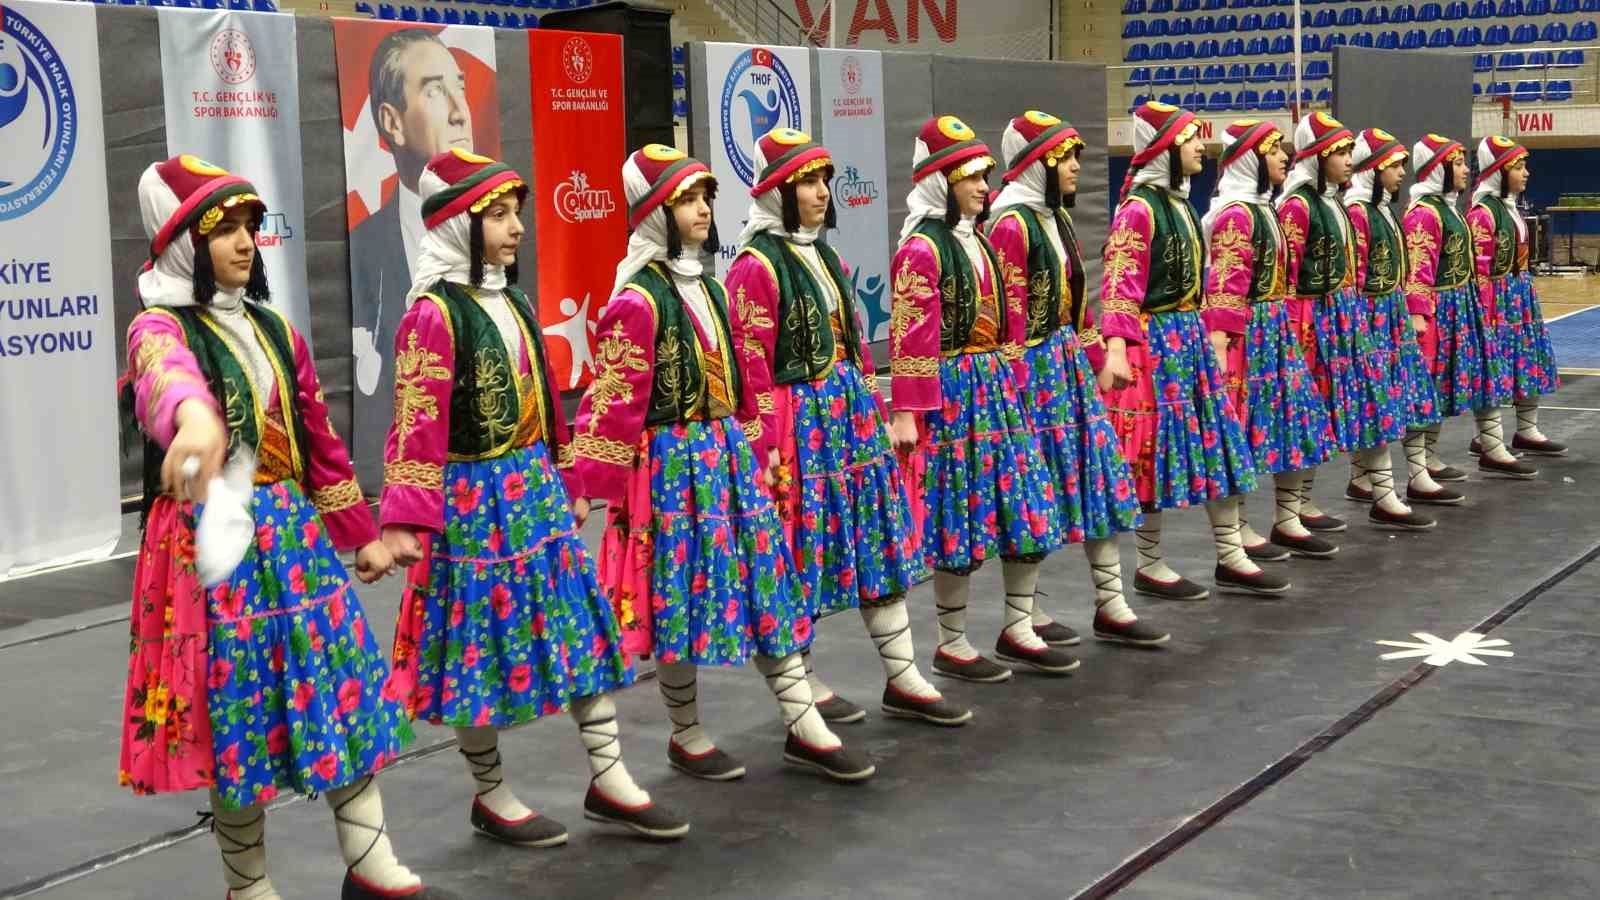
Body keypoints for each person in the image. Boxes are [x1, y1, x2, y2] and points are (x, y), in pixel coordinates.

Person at [118, 155, 454, 900]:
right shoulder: (158, 327)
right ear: (183, 243)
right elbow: (164, 377)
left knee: (339, 688)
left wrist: (363, 535)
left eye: (250, 226)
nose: (246, 242)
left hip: (293, 544)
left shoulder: (275, 330)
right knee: (235, 713)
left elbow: (320, 443)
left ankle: (370, 861)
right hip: (211, 547)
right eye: (224, 230)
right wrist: (195, 419)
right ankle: (249, 886)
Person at [379, 149, 690, 844]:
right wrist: (404, 520)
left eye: (514, 213)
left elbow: (548, 401)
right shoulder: (432, 315)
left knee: (578, 625)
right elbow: (416, 423)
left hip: (535, 496)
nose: (517, 228)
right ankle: (491, 794)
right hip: (470, 507)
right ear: (457, 225)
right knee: (471, 650)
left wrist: (570, 477)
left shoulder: (515, 301)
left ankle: (610, 778)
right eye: (497, 216)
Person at [575, 144, 875, 783]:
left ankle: (803, 723)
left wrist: (759, 448)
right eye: (685, 199)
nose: (702, 209)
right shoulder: (637, 300)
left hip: (727, 462)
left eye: (704, 197)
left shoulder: (711, 287)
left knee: (767, 579)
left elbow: (745, 377)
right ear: (654, 213)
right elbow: (611, 399)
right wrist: (587, 487)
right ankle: (686, 733)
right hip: (667, 470)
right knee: (671, 596)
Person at [724, 128, 972, 725]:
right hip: (797, 428)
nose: (820, 193)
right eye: (806, 182)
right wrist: (762, 446)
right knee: (797, 550)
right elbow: (749, 365)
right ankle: (805, 681)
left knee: (875, 536)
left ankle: (903, 674)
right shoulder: (754, 266)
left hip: (848, 417)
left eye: (823, 181)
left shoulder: (826, 256)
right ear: (777, 191)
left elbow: (855, 342)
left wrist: (874, 406)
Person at [888, 114, 1075, 682]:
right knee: (958, 518)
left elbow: (1011, 315)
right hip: (952, 395)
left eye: (983, 175)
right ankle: (952, 642)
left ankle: (1019, 626)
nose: (981, 186)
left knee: (1025, 503)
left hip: (994, 388)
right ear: (939, 182)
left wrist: (1015, 377)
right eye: (968, 176)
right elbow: (911, 336)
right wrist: (908, 412)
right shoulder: (922, 249)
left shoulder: (980, 240)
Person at [986, 111, 1169, 647]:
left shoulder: (1055, 219)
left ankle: (1111, 603)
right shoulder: (1011, 224)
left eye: (1073, 157)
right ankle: (1024, 618)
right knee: (1032, 494)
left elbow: (1076, 301)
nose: (1073, 167)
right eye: (1062, 158)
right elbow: (1008, 316)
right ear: (1034, 164)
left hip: (1066, 366)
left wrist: (1097, 358)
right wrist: (1016, 387)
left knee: (1100, 478)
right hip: (1035, 374)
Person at [1092, 102, 1283, 601]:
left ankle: (1231, 554)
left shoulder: (1178, 204)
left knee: (1220, 442)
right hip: (1154, 344)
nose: (1201, 146)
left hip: (1187, 339)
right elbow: (1119, 283)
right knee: (1147, 455)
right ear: (1165, 148)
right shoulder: (1139, 209)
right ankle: (1150, 564)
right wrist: (1117, 349)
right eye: (1190, 138)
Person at [1277, 113, 1431, 533]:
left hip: (1345, 318)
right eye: (1340, 152)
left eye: (1350, 152)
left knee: (1370, 403)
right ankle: (1298, 508)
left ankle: (1383, 494)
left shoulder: (1334, 203)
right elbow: (1287, 274)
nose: (1349, 160)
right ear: (1317, 156)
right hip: (1313, 322)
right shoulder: (1298, 206)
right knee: (1310, 415)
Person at [1201, 119, 1341, 563]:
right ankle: (1239, 528)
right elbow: (1225, 285)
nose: (1283, 157)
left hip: (1274, 326)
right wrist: (1220, 347)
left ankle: (1288, 518)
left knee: (1294, 420)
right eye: (1273, 150)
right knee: (1240, 431)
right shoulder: (1237, 214)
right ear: (1250, 159)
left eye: (1283, 149)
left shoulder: (1262, 208)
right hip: (1247, 333)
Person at [350, 29, 478, 476]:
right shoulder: (359, 252)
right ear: (393, 122)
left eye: (460, 87)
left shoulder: (502, 240)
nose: (461, 112)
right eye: (435, 91)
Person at [1402, 134, 1539, 482]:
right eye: (1458, 163)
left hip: (1462, 306)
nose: (1466, 170)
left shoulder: (1447, 208)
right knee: (1432, 384)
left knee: (1479, 375)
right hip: (1440, 311)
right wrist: (1418, 312)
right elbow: (1418, 268)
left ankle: (1488, 448)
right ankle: (1424, 466)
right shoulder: (1425, 213)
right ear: (1438, 169)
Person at [1341, 128, 1454, 507]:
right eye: (1394, 166)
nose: (1403, 173)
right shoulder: (1358, 212)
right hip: (1372, 318)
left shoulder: (1382, 210)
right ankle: (1378, 480)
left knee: (1407, 395)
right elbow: (1355, 274)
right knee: (1377, 401)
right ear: (1374, 169)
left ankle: (1402, 476)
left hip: (1392, 316)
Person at [1466, 136, 1565, 462]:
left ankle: (1526, 430)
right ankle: (1486, 438)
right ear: (1498, 171)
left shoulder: (1510, 208)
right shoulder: (1482, 213)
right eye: (1519, 167)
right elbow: (1479, 268)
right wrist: (1484, 309)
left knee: (1527, 358)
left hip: (1519, 295)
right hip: (1497, 299)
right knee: (1493, 365)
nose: (1526, 173)